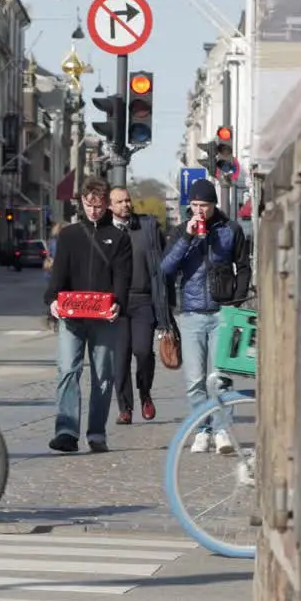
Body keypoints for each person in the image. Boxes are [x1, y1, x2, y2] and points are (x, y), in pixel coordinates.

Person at [160, 178, 252, 454]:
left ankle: (223, 430)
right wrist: (188, 236)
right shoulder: (180, 232)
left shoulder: (230, 230)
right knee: (195, 380)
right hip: (191, 314)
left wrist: (236, 299)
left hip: (223, 311)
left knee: (221, 375)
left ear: (214, 204)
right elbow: (166, 268)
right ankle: (203, 430)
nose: (199, 210)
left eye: (205, 205)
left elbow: (243, 266)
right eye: (195, 205)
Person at [44, 177, 132, 454]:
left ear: (107, 204)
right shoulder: (69, 235)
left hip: (104, 318)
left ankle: (96, 432)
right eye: (89, 204)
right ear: (81, 202)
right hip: (72, 316)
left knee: (103, 376)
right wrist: (51, 301)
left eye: (99, 205)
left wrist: (118, 303)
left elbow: (122, 276)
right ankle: (67, 431)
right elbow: (59, 274)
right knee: (68, 370)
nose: (94, 210)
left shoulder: (119, 238)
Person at [108, 186, 168, 425]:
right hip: (116, 304)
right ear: (110, 206)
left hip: (143, 300)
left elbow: (162, 267)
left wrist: (165, 308)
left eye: (127, 200)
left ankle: (145, 393)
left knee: (143, 352)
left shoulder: (147, 228)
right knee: (120, 358)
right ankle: (125, 408)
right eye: (119, 202)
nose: (125, 205)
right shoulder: (104, 232)